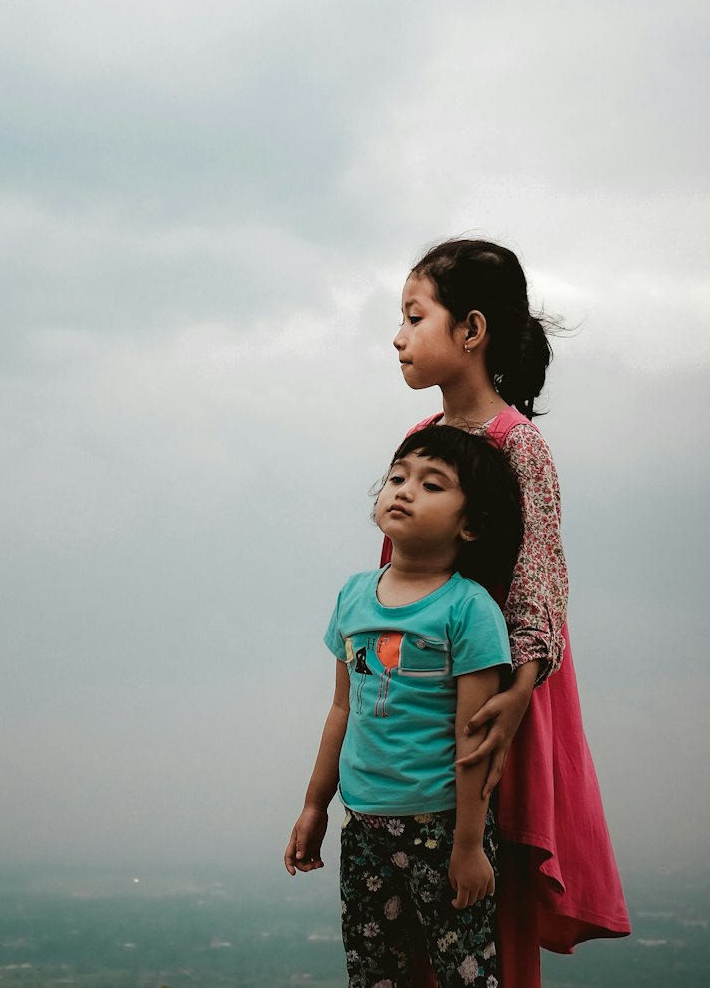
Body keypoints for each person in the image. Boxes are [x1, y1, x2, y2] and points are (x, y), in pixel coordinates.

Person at [389, 238, 630, 987]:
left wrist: (519, 691)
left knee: (482, 914)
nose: (398, 335)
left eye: (414, 315)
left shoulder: (518, 445)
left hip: (497, 701)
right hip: (419, 699)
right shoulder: (420, 442)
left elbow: (539, 583)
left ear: (472, 330)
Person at [284, 422, 524, 988]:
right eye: (397, 477)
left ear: (471, 524)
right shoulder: (352, 595)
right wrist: (316, 806)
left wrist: (468, 845)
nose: (404, 490)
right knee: (373, 975)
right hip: (363, 822)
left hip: (440, 826)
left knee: (466, 974)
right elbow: (341, 710)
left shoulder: (469, 609)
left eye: (432, 484)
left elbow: (474, 733)